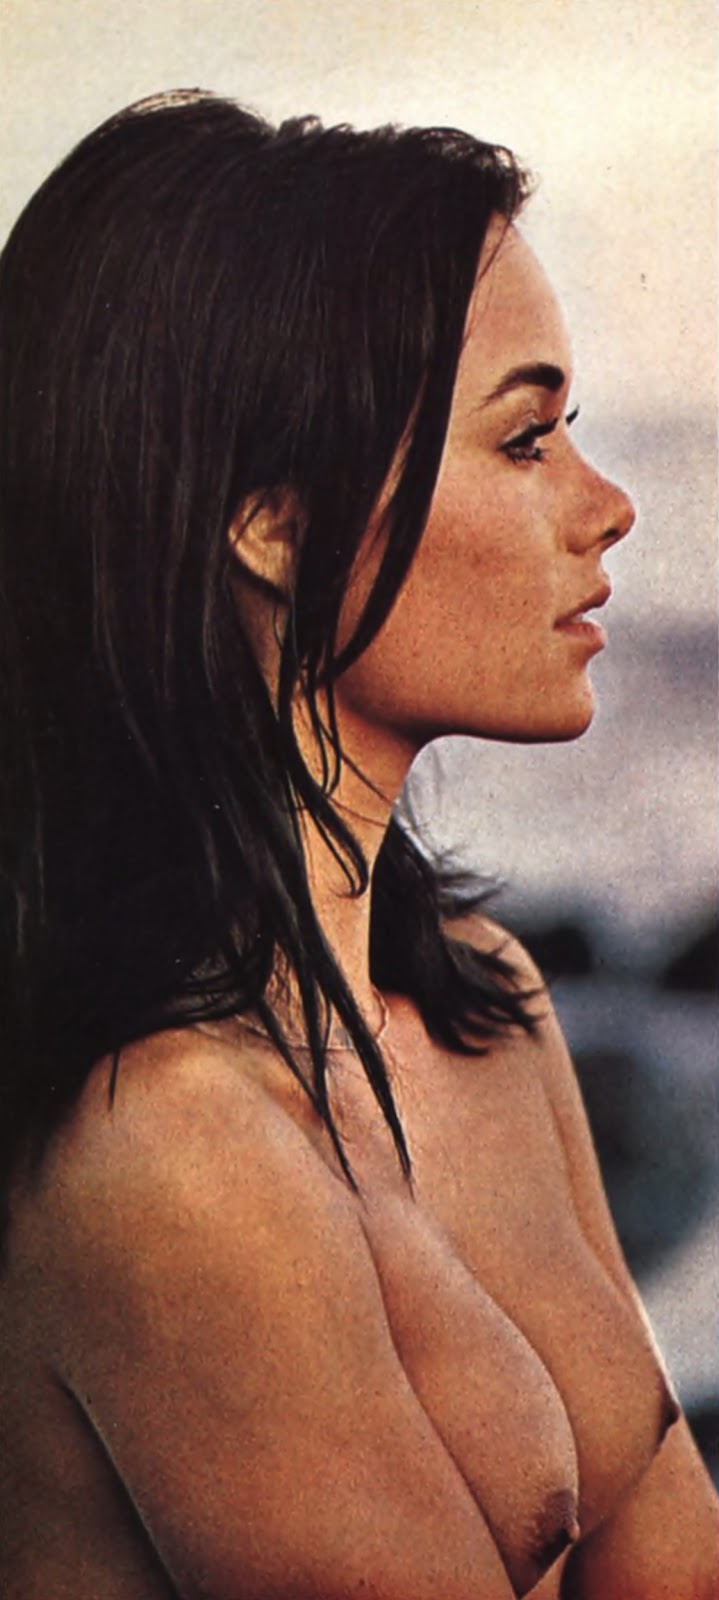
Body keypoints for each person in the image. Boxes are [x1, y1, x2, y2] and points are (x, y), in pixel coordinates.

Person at [0, 90, 715, 1600]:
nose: (609, 507)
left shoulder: (488, 1007)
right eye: (524, 440)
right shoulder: (170, 1156)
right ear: (269, 523)